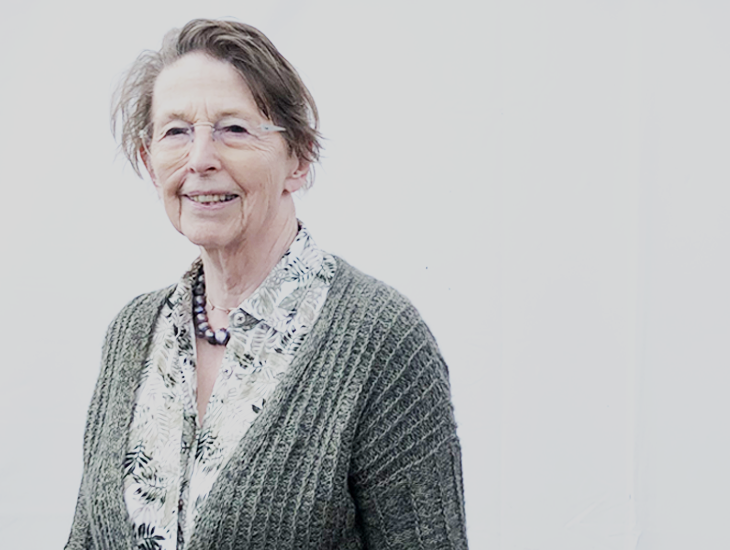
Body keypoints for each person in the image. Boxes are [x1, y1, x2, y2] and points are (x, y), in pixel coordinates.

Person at [65, 19, 467, 550]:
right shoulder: (132, 333)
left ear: (298, 159)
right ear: (149, 160)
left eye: (233, 129)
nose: (200, 159)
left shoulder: (381, 339)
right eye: (176, 132)